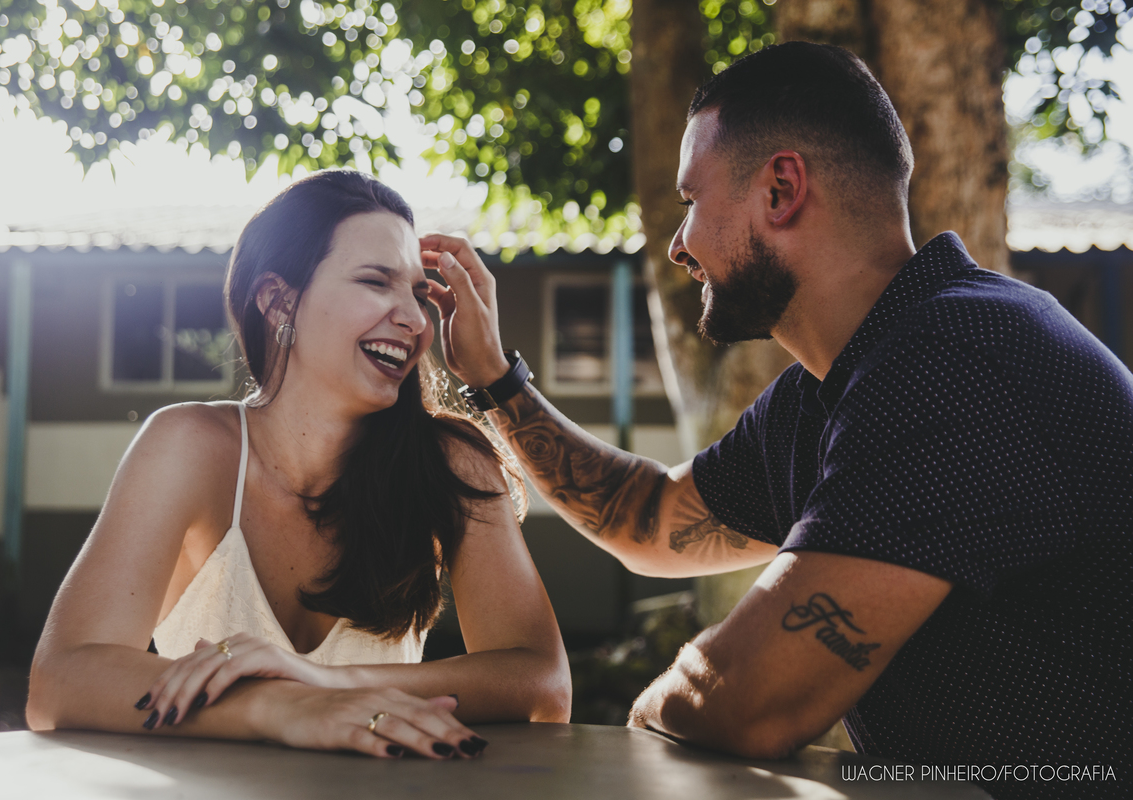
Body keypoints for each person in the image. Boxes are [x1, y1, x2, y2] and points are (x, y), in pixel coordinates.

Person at [422, 42, 1130, 796]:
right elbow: (648, 516)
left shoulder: (954, 356)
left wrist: (645, 716)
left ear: (781, 189)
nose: (678, 246)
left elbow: (751, 700)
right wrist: (494, 381)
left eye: (690, 202)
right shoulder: (831, 389)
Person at [27, 170, 571, 759]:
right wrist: (278, 705)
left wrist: (327, 683)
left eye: (419, 294)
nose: (416, 320)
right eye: (375, 281)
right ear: (277, 299)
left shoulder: (451, 461)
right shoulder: (189, 447)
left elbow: (544, 687)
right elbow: (60, 682)